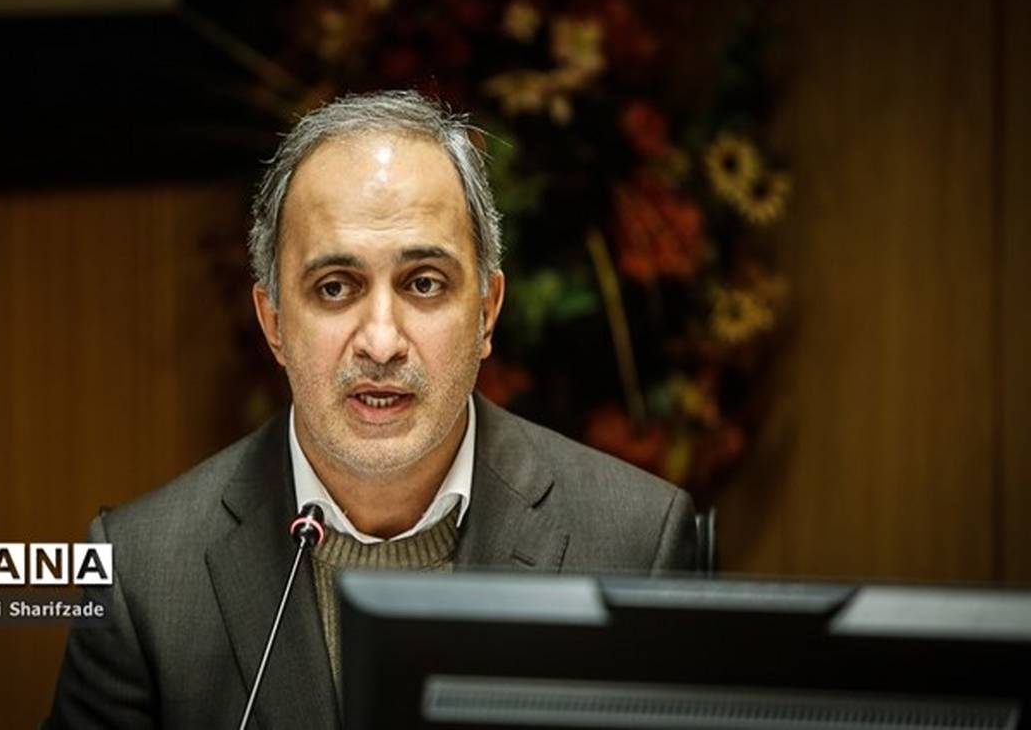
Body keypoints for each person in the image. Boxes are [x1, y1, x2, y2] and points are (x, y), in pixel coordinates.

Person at [45, 90, 695, 729]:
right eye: (335, 287)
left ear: (486, 312)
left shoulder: (635, 542)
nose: (381, 342)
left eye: (424, 283)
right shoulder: (142, 572)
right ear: (273, 322)